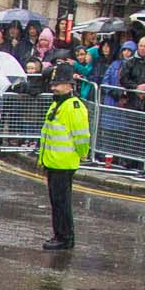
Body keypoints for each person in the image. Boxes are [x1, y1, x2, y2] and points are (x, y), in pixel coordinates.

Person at [39, 63, 90, 250]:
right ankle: (60, 234)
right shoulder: (58, 104)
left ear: (69, 85)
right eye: (53, 84)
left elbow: (82, 136)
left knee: (62, 202)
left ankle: (64, 237)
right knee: (57, 201)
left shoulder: (74, 107)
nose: (54, 87)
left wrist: (83, 154)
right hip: (53, 161)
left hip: (63, 163)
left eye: (58, 84)